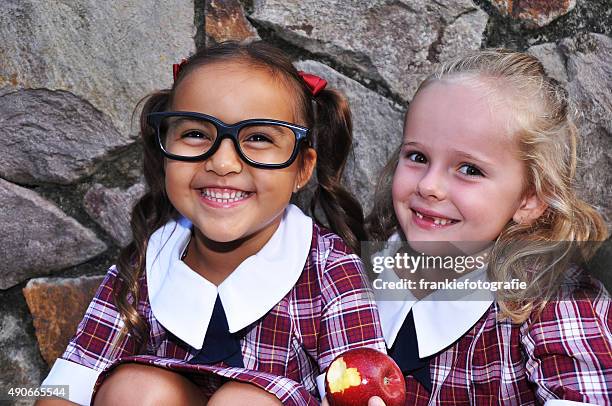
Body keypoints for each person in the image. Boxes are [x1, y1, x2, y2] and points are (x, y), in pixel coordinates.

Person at [38, 41, 385, 406]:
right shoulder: (146, 262)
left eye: (258, 138)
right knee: (136, 391)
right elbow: (69, 385)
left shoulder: (330, 267)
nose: (223, 163)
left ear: (302, 169)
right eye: (196, 134)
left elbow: (364, 388)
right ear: (164, 147)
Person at [365, 50, 611, 405]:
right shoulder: (354, 274)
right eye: (417, 157)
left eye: (469, 169)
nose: (429, 186)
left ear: (529, 199)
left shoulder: (554, 305)